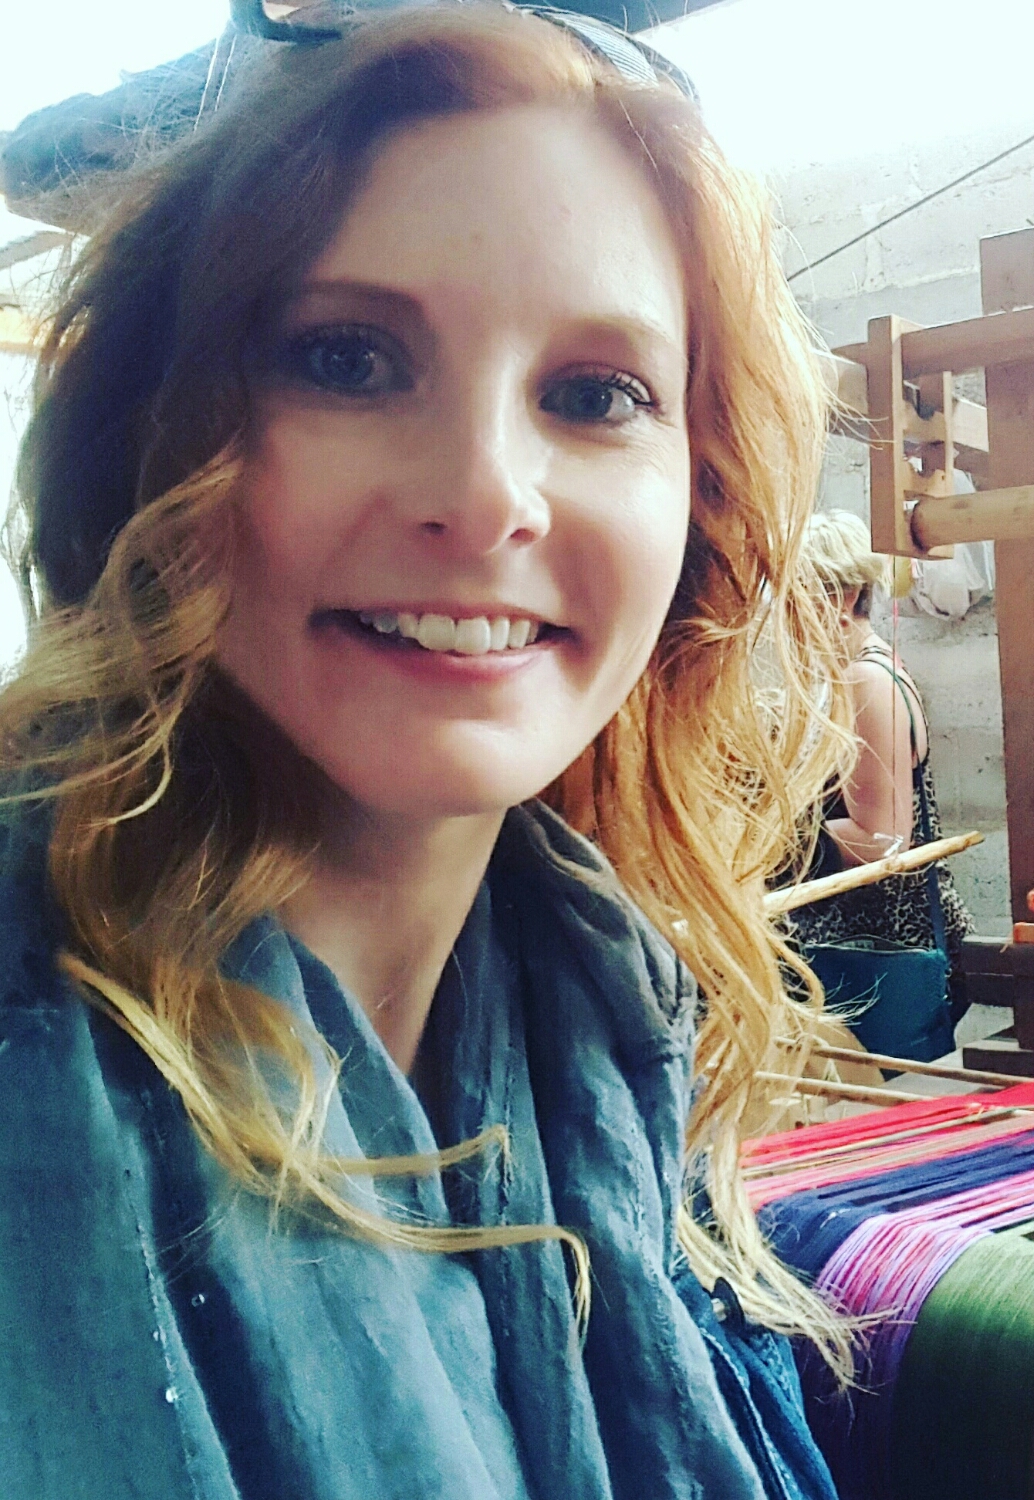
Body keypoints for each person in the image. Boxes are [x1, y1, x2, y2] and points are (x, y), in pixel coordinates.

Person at [0, 8, 849, 1497]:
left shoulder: (614, 1045)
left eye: (595, 395)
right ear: (155, 437)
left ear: (697, 501)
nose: (486, 492)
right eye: (347, 359)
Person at [787, 512, 971, 1053]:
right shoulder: (861, 671)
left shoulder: (865, 679)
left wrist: (769, 839)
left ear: (844, 597)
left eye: (796, 600)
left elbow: (881, 840)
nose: (785, 620)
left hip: (883, 940)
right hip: (865, 936)